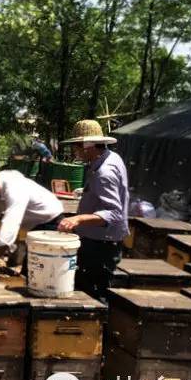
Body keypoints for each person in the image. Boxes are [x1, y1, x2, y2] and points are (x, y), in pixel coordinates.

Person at [56, 119, 130, 302]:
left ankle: (101, 330)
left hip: (101, 245)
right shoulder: (110, 157)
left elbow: (114, 213)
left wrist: (78, 219)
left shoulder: (105, 171)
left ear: (87, 146)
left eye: (76, 146)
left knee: (94, 296)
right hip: (99, 241)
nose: (75, 150)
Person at [0, 161, 65, 276]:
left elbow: (10, 227)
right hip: (37, 227)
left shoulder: (14, 188)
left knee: (38, 273)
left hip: (52, 225)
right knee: (31, 271)